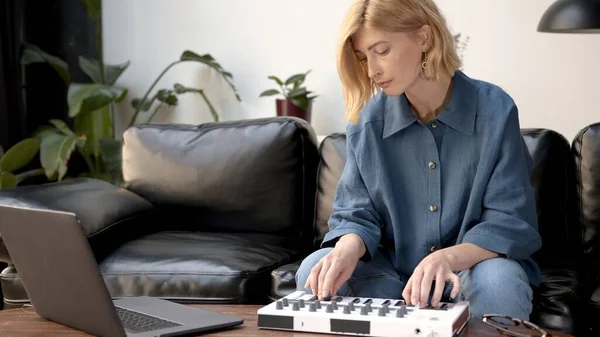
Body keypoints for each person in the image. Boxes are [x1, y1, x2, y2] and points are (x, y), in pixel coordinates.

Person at [295, 0, 542, 321]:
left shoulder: (495, 109)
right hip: (390, 276)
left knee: (500, 281)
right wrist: (345, 248)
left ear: (424, 39)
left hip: (470, 269)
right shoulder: (368, 120)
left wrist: (445, 258)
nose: (372, 71)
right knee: (316, 268)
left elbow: (509, 219)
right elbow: (356, 211)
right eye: (362, 57)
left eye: (382, 50)